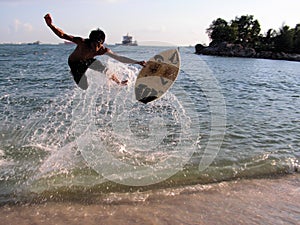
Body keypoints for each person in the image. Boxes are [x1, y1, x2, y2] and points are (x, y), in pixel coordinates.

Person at [44, 13, 146, 90]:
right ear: (90, 41)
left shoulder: (103, 50)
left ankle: (118, 82)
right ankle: (73, 73)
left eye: (98, 44)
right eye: (94, 44)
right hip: (74, 63)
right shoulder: (82, 42)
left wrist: (137, 62)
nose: (95, 48)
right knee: (84, 87)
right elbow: (63, 35)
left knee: (105, 69)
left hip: (88, 61)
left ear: (102, 43)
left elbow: (119, 58)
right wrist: (51, 25)